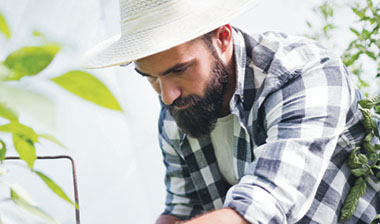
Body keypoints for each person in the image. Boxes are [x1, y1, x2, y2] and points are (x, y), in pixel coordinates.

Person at [81, 0, 379, 223]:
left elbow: (265, 203)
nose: (167, 95)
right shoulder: (178, 110)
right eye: (150, 77)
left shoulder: (302, 75)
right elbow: (183, 208)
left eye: (180, 70)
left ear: (222, 38)